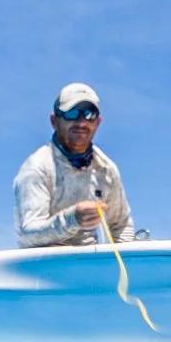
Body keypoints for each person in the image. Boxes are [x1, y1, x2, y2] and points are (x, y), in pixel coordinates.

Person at [15, 82, 138, 247]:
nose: (81, 123)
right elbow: (27, 235)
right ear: (54, 121)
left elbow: (121, 227)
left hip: (89, 257)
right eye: (72, 114)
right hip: (45, 259)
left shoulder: (107, 169)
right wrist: (72, 220)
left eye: (89, 114)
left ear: (98, 122)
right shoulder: (36, 167)